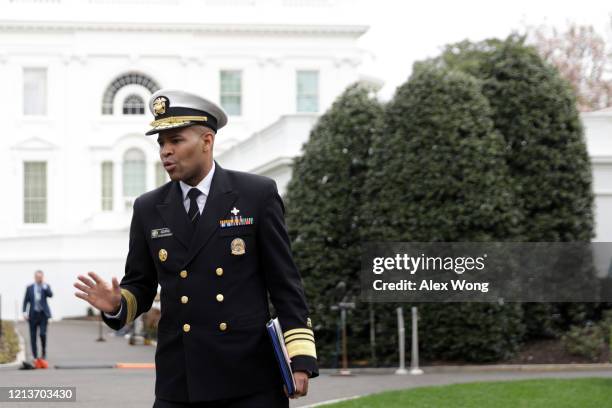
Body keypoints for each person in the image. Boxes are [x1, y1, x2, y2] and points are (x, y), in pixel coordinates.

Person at [74, 89, 318, 407]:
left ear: (207, 141)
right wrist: (116, 305)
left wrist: (300, 360)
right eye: (161, 143)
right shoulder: (149, 208)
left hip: (249, 377)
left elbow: (285, 285)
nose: (166, 152)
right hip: (181, 381)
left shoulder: (256, 194)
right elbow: (141, 285)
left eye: (176, 140)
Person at [23, 270, 53, 362]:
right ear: (35, 277)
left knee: (42, 334)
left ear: (42, 277)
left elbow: (50, 295)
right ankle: (35, 356)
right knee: (33, 336)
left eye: (40, 277)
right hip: (33, 315)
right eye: (37, 277)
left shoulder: (46, 286)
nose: (39, 279)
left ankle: (43, 351)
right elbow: (26, 301)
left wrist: (44, 286)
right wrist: (24, 312)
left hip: (43, 315)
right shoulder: (30, 288)